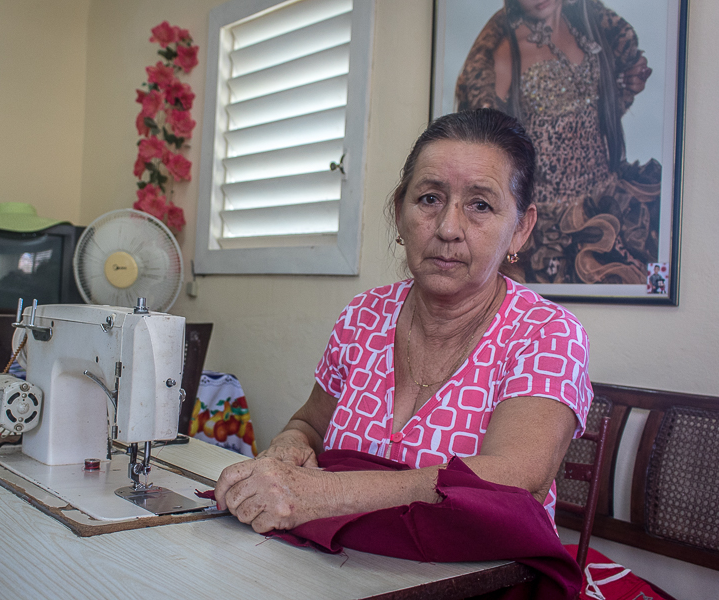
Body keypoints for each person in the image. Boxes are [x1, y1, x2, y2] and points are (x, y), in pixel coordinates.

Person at [214, 109, 593, 535]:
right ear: (400, 212)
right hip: (342, 566)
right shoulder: (364, 316)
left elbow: (514, 481)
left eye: (480, 205)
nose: (448, 227)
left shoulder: (546, 333)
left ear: (521, 229)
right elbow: (309, 425)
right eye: (429, 199)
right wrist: (288, 446)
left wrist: (322, 494)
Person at [454, 0, 661, 285]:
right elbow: (489, 145)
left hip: (608, 195)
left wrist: (623, 88)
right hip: (550, 222)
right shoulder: (506, 51)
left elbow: (592, 113)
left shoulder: (588, 30)